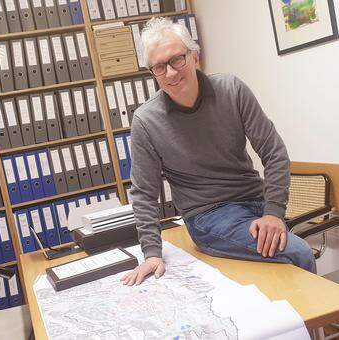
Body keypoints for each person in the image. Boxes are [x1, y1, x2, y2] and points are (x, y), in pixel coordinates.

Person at [121, 17, 315, 286]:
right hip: (209, 216)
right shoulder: (146, 120)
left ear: (194, 56)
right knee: (299, 253)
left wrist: (273, 212)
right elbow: (144, 193)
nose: (171, 73)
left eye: (177, 59)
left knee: (283, 265)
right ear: (152, 72)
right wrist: (152, 252)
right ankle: (317, 327)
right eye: (159, 67)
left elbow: (274, 152)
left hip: (255, 201)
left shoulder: (232, 90)